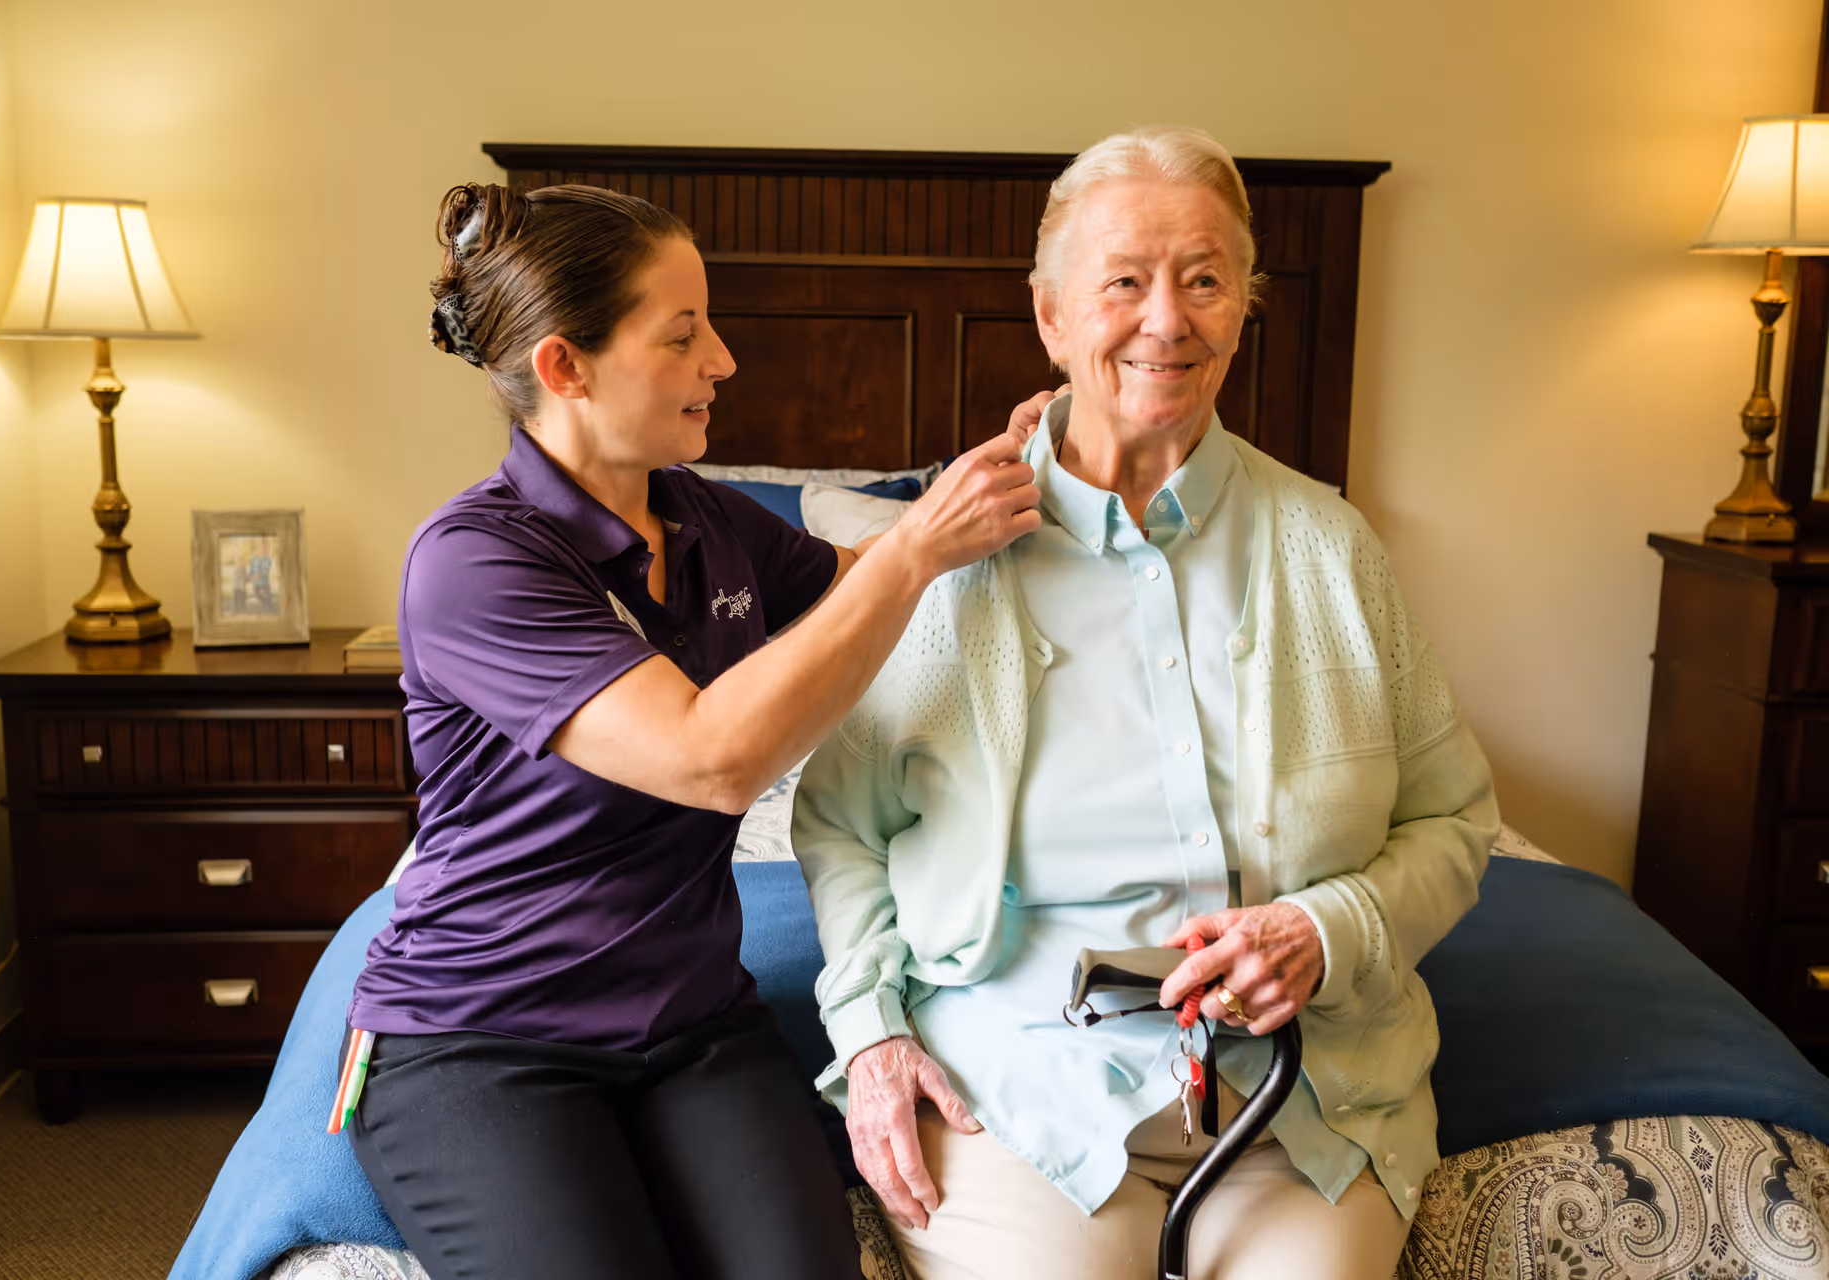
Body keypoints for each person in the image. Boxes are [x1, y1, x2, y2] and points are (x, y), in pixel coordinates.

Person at [792, 127, 1500, 1280]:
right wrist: (871, 1029)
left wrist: (1329, 930)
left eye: (1206, 279)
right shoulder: (943, 555)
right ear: (1053, 318)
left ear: (1241, 308)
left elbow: (1456, 820)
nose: (1168, 319)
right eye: (1124, 281)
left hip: (1303, 1089)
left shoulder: (1330, 547)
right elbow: (837, 824)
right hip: (1018, 1081)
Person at [344, 180, 1051, 1280]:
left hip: (690, 1022)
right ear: (564, 368)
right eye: (683, 336)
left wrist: (1002, 486)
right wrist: (917, 547)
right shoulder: (475, 559)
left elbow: (868, 600)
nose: (723, 360)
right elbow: (712, 758)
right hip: (485, 1034)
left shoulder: (704, 513)